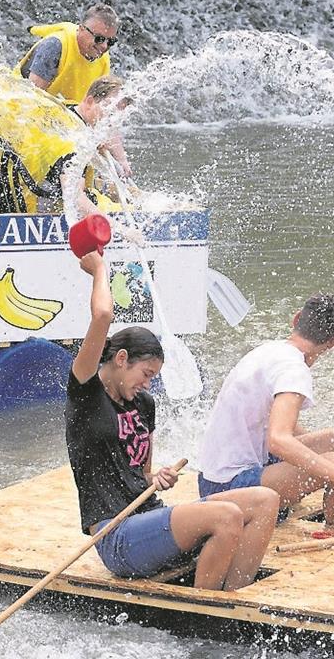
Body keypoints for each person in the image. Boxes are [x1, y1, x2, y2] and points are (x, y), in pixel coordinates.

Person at [66, 250, 279, 590]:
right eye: (145, 373)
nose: (148, 384)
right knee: (227, 517)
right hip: (116, 536)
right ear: (121, 359)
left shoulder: (144, 405)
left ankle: (233, 595)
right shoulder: (86, 395)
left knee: (265, 501)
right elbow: (103, 314)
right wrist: (99, 269)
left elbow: (143, 474)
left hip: (149, 517)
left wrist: (157, 477)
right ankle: (204, 609)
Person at [197, 294, 334, 528]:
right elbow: (279, 441)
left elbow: (286, 428)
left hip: (234, 470)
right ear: (333, 341)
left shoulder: (270, 351)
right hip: (226, 486)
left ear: (296, 320)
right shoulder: (293, 370)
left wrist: (322, 458)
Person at [0, 74, 131, 216]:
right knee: (123, 209)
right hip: (39, 211)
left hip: (23, 184)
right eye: (110, 110)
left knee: (119, 195)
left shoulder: (69, 111)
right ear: (89, 102)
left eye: (118, 115)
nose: (113, 119)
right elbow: (75, 198)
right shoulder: (74, 142)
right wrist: (124, 231)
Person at [15, 3, 119, 105]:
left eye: (110, 42)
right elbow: (30, 99)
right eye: (99, 39)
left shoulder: (102, 56)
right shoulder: (54, 47)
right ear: (82, 29)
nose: (104, 46)